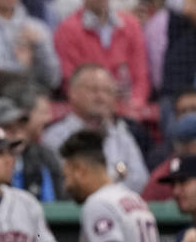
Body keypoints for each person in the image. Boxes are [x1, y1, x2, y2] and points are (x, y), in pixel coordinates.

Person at [53, 0, 149, 118]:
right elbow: (69, 77)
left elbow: (140, 73)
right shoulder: (67, 29)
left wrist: (136, 103)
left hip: (127, 107)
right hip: (88, 109)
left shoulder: (131, 25)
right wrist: (100, 104)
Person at [42, 63, 148, 193]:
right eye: (93, 90)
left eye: (107, 91)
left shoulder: (121, 134)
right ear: (72, 93)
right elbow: (64, 183)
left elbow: (140, 180)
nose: (101, 97)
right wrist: (115, 178)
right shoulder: (54, 137)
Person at [0, 96, 65, 201]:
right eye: (7, 127)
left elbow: (59, 200)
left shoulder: (43, 157)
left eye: (20, 125)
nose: (16, 132)